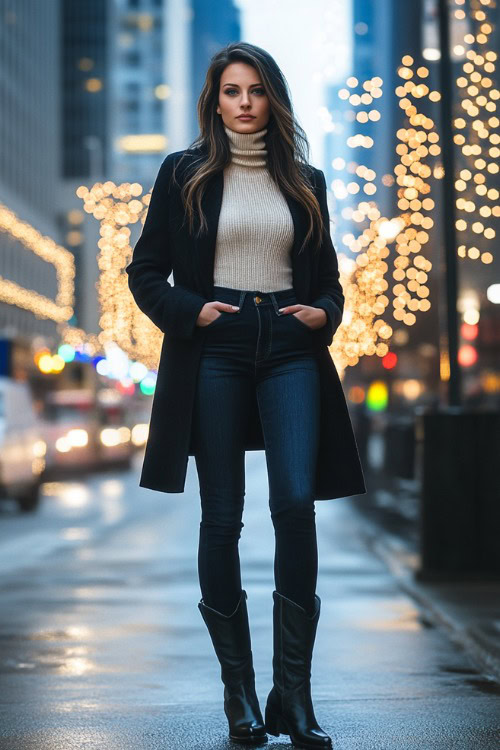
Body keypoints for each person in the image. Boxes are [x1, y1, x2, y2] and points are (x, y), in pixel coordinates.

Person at [127, 41, 366, 749]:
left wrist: (326, 311)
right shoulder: (184, 173)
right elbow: (145, 272)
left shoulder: (307, 180)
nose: (244, 103)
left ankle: (294, 694)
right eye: (232, 91)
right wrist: (189, 312)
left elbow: (327, 279)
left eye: (256, 90)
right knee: (221, 516)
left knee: (295, 502)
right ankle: (240, 695)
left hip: (289, 342)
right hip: (217, 345)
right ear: (215, 100)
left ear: (273, 98)